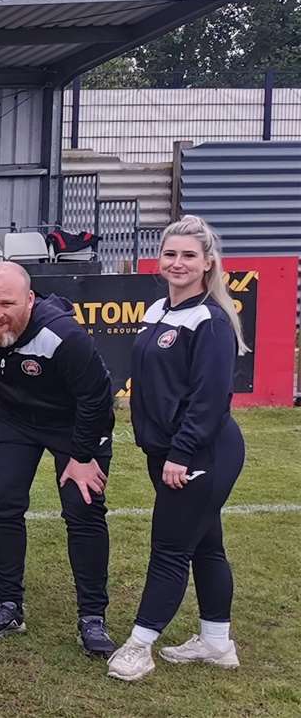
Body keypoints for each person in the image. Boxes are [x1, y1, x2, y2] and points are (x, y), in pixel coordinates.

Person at [0, 262, 116, 654]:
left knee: (83, 511)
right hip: (15, 421)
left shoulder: (62, 334)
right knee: (5, 508)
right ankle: (8, 604)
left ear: (29, 299)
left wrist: (82, 455)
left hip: (73, 425)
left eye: (7, 303)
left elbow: (97, 397)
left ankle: (92, 618)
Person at [106, 216, 252, 681]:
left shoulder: (211, 319)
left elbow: (209, 399)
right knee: (206, 544)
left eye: (189, 255)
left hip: (200, 453)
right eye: (171, 254)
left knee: (169, 547)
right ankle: (215, 642)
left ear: (208, 263)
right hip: (167, 450)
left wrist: (182, 453)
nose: (178, 263)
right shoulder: (157, 312)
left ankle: (139, 645)